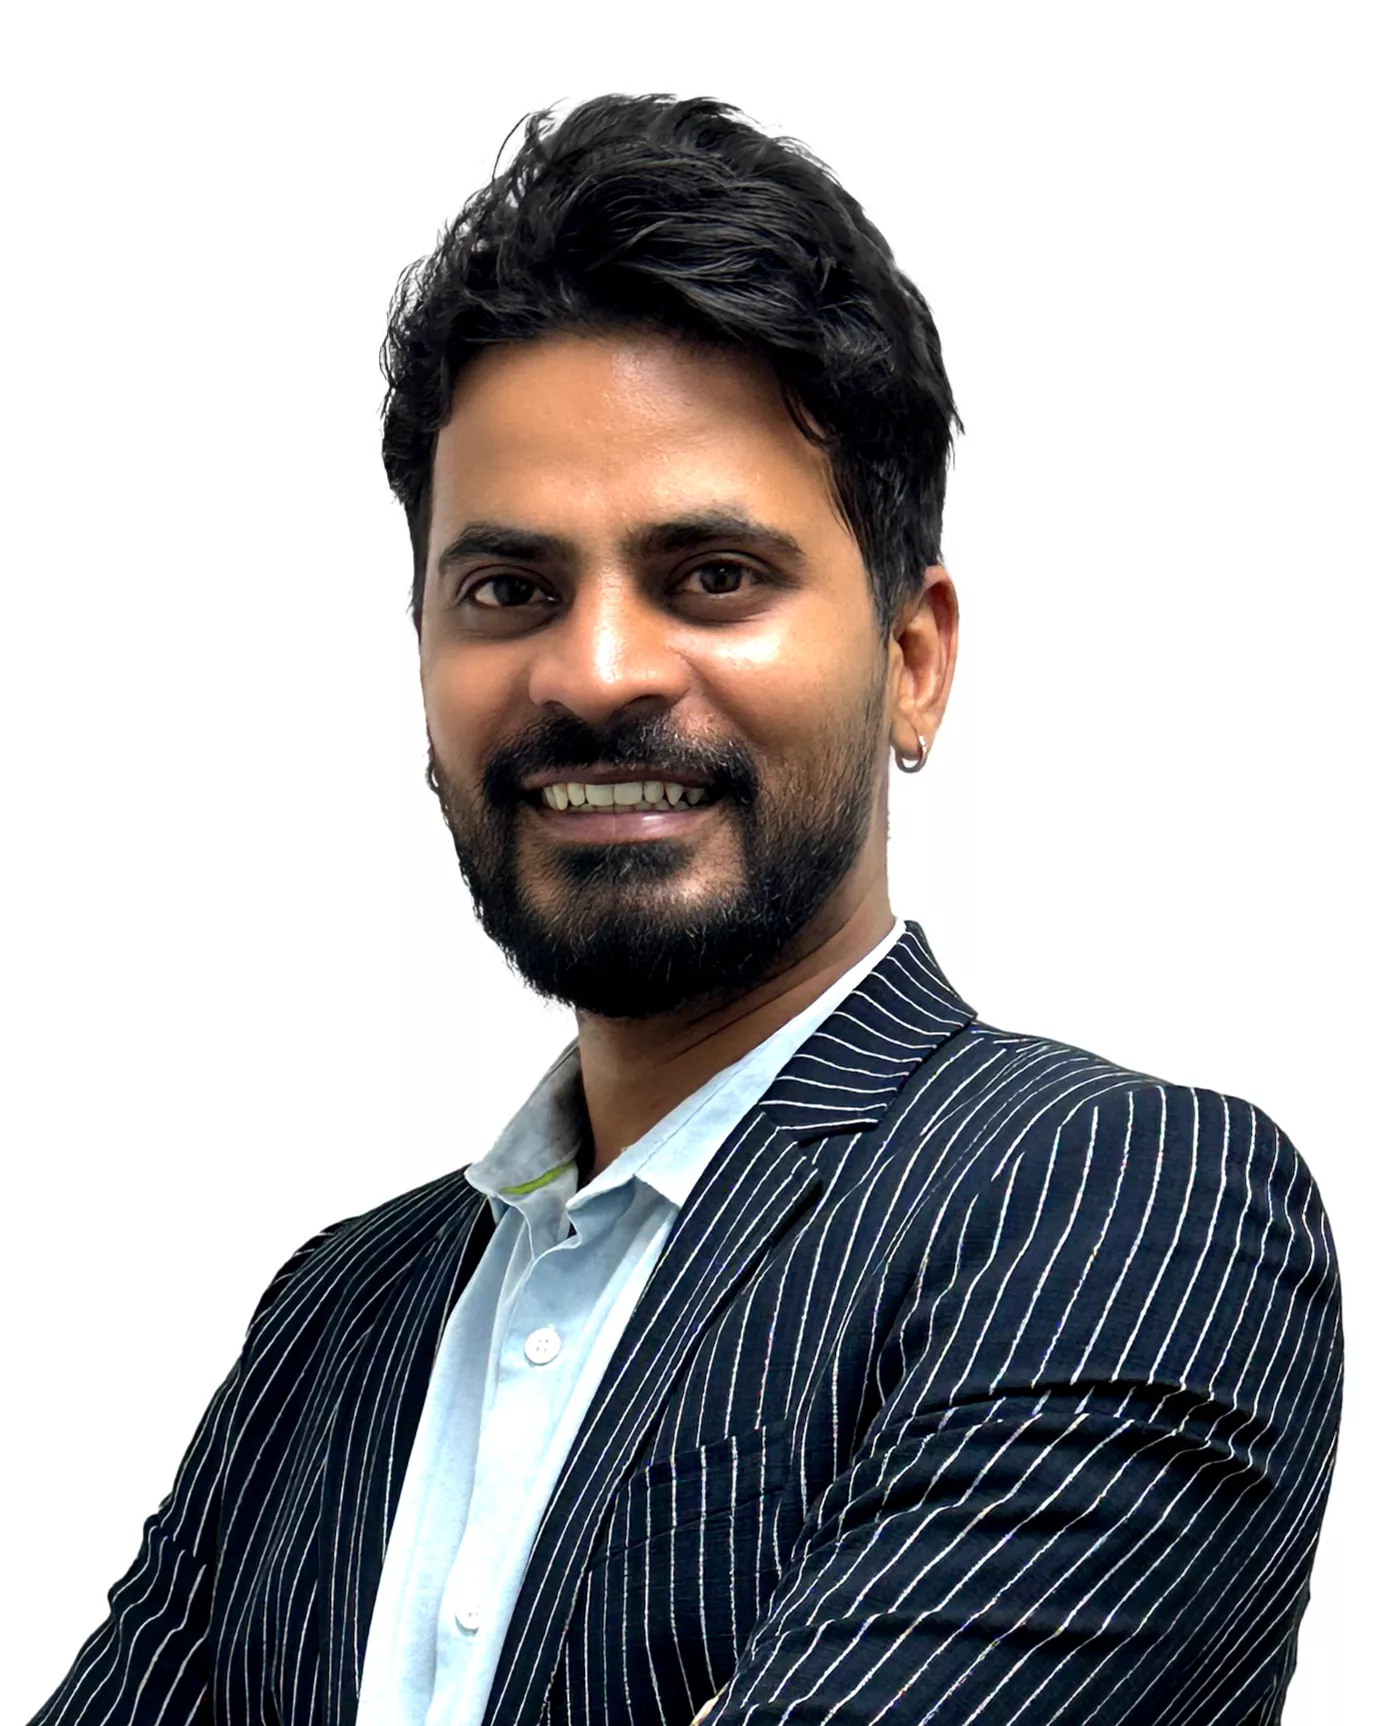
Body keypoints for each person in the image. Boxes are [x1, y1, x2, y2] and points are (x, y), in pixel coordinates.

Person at [32, 93, 1341, 1726]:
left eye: (713, 576)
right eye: (510, 589)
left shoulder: (1115, 1205)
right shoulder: (331, 1325)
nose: (595, 672)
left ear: (913, 659)